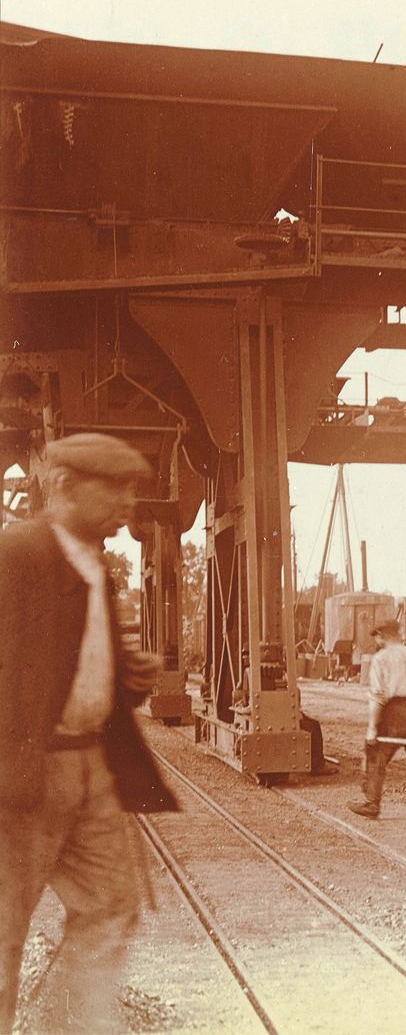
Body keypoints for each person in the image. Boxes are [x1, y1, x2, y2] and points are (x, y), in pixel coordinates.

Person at [0, 432, 177, 1032]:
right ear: (65, 486)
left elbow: (73, 664)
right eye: (116, 485)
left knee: (109, 904)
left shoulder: (94, 564)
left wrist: (131, 681)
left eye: (133, 486)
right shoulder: (17, 553)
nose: (130, 499)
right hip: (23, 772)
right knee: (3, 932)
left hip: (89, 767)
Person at [347, 621, 406, 823]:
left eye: (376, 637)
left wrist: (372, 729)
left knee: (376, 753)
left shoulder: (380, 659)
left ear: (381, 636)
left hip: (394, 712)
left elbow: (378, 697)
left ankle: (372, 803)